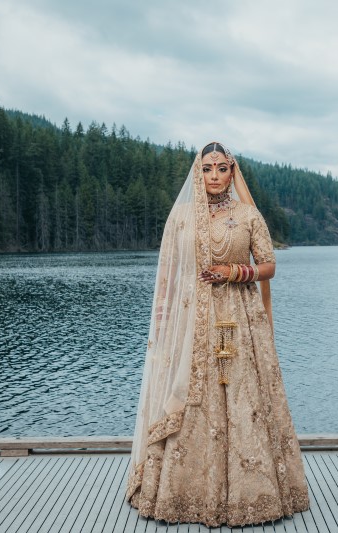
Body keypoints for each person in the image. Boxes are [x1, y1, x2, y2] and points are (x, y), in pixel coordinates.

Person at [125, 142, 309, 527]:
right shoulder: (183, 217)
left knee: (243, 393)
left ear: (232, 171)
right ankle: (183, 491)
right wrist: (162, 319)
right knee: (193, 394)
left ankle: (252, 493)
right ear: (198, 171)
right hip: (195, 321)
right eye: (206, 168)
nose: (213, 176)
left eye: (221, 168)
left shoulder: (248, 215)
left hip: (241, 318)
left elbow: (270, 266)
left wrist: (234, 273)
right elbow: (170, 274)